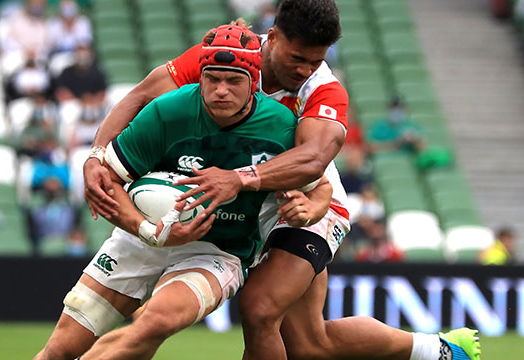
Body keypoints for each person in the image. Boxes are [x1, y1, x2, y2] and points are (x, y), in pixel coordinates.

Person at [82, 1, 482, 360]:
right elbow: (143, 95)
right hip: (250, 202)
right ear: (271, 38)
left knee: (258, 309)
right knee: (310, 346)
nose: (304, 70)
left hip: (309, 206)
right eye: (297, 58)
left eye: (316, 60)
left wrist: (240, 179)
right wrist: (98, 155)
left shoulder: (322, 89)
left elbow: (312, 161)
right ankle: (440, 351)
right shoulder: (229, 59)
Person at [35, 24, 321, 360]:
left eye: (233, 81)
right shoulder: (167, 111)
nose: (221, 90)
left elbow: (321, 187)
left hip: (218, 250)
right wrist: (149, 231)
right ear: (200, 76)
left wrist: (309, 209)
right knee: (58, 350)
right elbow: (108, 179)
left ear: (254, 81)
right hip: (143, 236)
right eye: (212, 78)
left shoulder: (283, 127)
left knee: (156, 321)